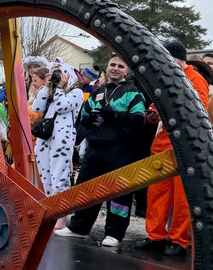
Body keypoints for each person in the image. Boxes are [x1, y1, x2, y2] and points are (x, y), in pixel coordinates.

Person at [54, 55, 145, 245]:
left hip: (120, 150)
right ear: (107, 67)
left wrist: (115, 115)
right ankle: (79, 227)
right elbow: (85, 115)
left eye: (120, 66)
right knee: (86, 188)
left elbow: (139, 119)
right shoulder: (97, 92)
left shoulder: (133, 92)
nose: (116, 68)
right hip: (95, 148)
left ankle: (114, 233)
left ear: (126, 71)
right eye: (112, 64)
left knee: (119, 192)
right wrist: (88, 121)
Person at [137, 41, 209, 256]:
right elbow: (155, 104)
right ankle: (155, 236)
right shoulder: (164, 76)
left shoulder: (196, 80)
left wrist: (167, 113)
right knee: (157, 191)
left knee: (182, 196)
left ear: (179, 59)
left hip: (184, 144)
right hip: (161, 142)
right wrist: (152, 113)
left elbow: (200, 111)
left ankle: (180, 240)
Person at [31, 61, 83, 197]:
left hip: (62, 140)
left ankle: (61, 211)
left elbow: (61, 106)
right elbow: (36, 108)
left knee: (59, 176)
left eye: (59, 73)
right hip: (45, 138)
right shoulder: (51, 92)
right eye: (54, 73)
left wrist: (59, 88)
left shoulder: (76, 92)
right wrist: (46, 87)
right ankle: (51, 205)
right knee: (46, 176)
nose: (57, 77)